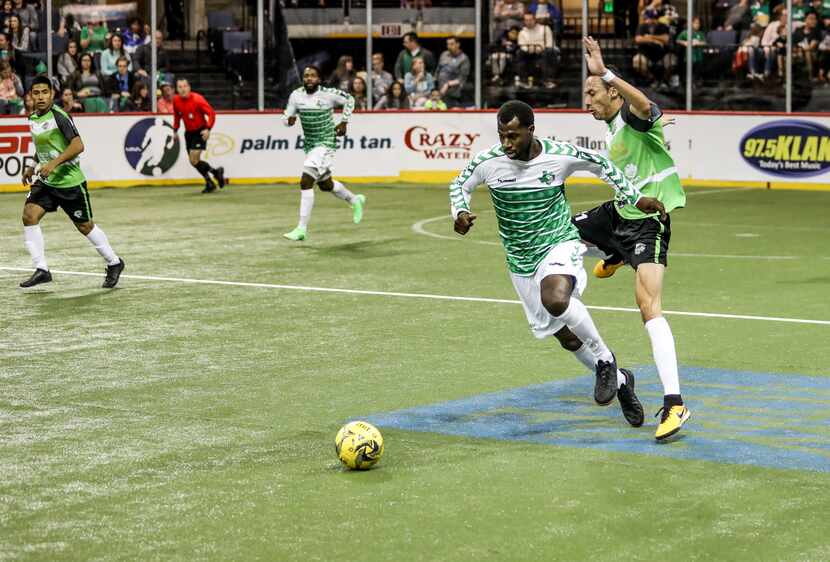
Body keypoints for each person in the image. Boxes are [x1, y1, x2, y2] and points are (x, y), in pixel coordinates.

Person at [450, 100, 665, 431]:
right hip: (520, 261)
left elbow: (601, 165)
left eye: (514, 136)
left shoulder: (558, 154)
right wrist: (460, 214)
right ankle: (621, 382)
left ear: (531, 130)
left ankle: (606, 361)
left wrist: (636, 198)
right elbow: (459, 185)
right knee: (565, 337)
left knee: (556, 299)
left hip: (558, 244)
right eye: (502, 135)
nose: (507, 144)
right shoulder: (488, 162)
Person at [578, 37, 689, 440]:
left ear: (612, 92)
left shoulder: (632, 120)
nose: (586, 101)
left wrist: (605, 71)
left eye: (592, 93)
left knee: (648, 306)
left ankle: (674, 404)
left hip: (649, 220)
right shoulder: (610, 130)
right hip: (620, 213)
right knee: (561, 231)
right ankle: (614, 252)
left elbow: (645, 106)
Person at [19, 75, 125, 289]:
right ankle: (42, 269)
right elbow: (43, 149)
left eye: (44, 92)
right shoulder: (32, 118)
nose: (40, 97)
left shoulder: (60, 116)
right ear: (31, 95)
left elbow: (78, 146)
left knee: (85, 226)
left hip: (70, 183)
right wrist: (32, 165)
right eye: (36, 93)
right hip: (47, 182)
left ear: (52, 94)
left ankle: (114, 262)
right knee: (29, 215)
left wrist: (54, 164)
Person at [282, 65, 366, 241]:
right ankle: (354, 200)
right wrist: (288, 120)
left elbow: (350, 99)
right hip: (311, 144)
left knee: (306, 182)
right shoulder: (296, 95)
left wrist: (344, 122)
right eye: (306, 76)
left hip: (326, 142)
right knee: (325, 185)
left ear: (319, 79)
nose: (309, 79)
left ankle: (301, 229)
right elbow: (287, 115)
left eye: (313, 76)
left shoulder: (328, 94)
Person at [172, 78, 225, 193]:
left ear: (189, 87)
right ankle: (214, 175)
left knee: (194, 158)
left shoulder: (197, 99)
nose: (183, 89)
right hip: (189, 133)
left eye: (185, 86)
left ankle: (212, 179)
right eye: (180, 87)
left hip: (200, 131)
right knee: (193, 162)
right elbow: (177, 116)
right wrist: (175, 130)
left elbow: (211, 113)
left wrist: (208, 129)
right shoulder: (176, 100)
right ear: (177, 89)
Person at [517, 12, 559, 88]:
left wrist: (540, 48)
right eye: (526, 20)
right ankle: (523, 80)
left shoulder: (545, 29)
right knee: (520, 53)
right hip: (529, 53)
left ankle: (547, 80)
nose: (528, 22)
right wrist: (530, 49)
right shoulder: (522, 32)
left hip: (543, 51)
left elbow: (549, 43)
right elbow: (522, 45)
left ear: (535, 19)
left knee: (550, 51)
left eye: (530, 20)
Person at [633, 8, 673, 84]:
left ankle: (663, 81)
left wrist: (649, 37)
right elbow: (638, 39)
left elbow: (666, 39)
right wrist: (654, 40)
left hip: (662, 54)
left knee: (672, 62)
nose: (650, 20)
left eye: (652, 18)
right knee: (637, 61)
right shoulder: (642, 26)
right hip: (645, 54)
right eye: (648, 18)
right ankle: (651, 78)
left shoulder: (663, 26)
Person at [436, 36, 471, 107]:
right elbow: (438, 70)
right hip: (440, 93)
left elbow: (462, 79)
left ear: (458, 44)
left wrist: (448, 84)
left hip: (453, 95)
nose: (449, 46)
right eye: (448, 44)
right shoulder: (444, 55)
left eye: (451, 44)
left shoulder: (464, 59)